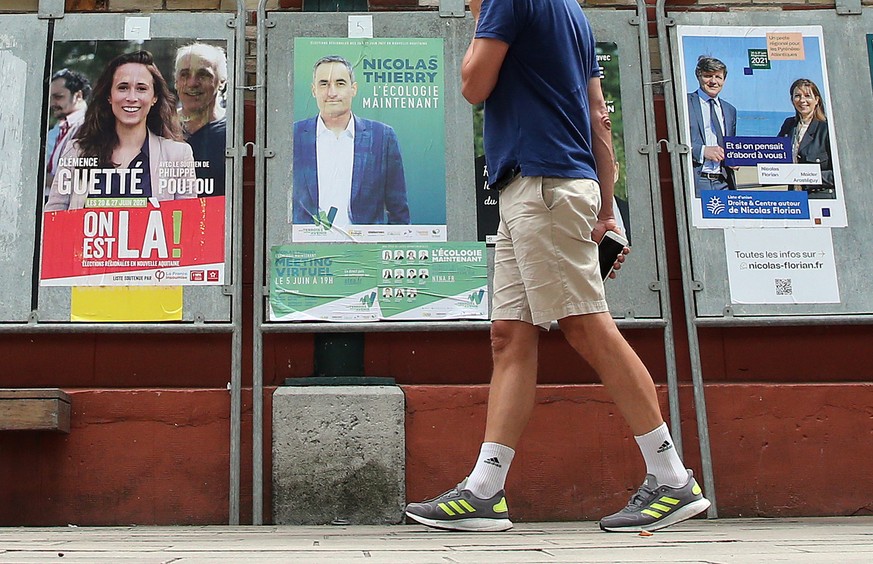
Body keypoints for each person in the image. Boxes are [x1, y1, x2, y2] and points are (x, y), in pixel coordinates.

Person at [404, 0, 710, 534]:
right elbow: (598, 111)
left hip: (542, 186)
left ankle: (672, 477)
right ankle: (485, 490)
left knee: (586, 324)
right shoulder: (572, 12)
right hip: (546, 186)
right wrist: (608, 204)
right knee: (510, 335)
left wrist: (480, 14)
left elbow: (474, 84)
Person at [45, 50, 196, 211]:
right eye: (123, 87)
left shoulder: (178, 155)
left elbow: (187, 224)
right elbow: (53, 219)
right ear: (109, 95)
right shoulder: (76, 152)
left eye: (141, 88)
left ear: (154, 97)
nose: (131, 97)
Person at [292, 55, 410, 226]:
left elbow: (398, 211)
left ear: (353, 89)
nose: (332, 93)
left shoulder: (382, 137)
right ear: (313, 90)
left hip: (364, 249)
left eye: (340, 83)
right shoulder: (293, 135)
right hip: (308, 250)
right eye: (324, 84)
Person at [175, 42, 228, 197]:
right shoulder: (157, 128)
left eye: (203, 75)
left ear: (222, 82)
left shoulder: (235, 132)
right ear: (176, 82)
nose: (192, 83)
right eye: (184, 75)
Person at [687, 56, 737, 195]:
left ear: (724, 80)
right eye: (708, 76)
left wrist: (735, 158)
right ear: (699, 76)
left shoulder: (730, 110)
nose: (713, 81)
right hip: (697, 180)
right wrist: (703, 151)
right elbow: (673, 142)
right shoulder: (684, 104)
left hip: (724, 182)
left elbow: (730, 145)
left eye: (718, 77)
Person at [777, 78, 834, 198]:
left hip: (821, 198)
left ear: (816, 100)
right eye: (797, 96)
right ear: (792, 100)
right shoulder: (788, 125)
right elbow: (774, 154)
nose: (802, 100)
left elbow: (839, 174)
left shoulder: (827, 129)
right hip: (794, 198)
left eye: (807, 96)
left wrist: (807, 177)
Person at [45, 68, 91, 197]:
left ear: (78, 96)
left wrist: (39, 176)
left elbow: (77, 180)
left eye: (58, 97)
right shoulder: (60, 128)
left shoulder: (88, 127)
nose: (52, 103)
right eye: (51, 98)